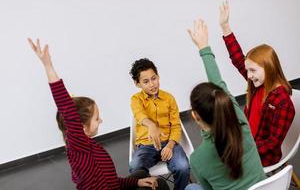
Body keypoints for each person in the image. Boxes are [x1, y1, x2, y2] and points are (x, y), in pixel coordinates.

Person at [28, 38, 170, 190]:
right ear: (81, 127)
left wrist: (136, 182)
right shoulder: (79, 146)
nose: (101, 120)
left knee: (141, 174)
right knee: (159, 184)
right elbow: (65, 106)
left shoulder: (87, 146)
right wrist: (48, 65)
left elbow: (111, 182)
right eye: (96, 118)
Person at [185, 18, 266, 190]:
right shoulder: (243, 126)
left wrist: (202, 47)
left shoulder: (198, 159)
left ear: (195, 116)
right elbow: (219, 83)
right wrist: (203, 47)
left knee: (191, 188)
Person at [219, 1, 295, 166]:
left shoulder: (282, 103)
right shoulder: (257, 84)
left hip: (261, 156)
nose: (249, 76)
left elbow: (273, 143)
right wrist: (225, 27)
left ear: (268, 68)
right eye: (248, 71)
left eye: (253, 70)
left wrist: (243, 148)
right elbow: (238, 58)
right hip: (247, 140)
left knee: (221, 167)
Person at [129, 58, 190, 190]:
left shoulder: (169, 98)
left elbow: (175, 125)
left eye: (154, 78)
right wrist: (151, 125)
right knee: (135, 168)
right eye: (146, 81)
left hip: (168, 142)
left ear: (158, 76)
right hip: (145, 146)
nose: (152, 84)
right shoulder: (136, 100)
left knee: (183, 167)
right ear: (137, 83)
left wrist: (170, 145)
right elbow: (140, 115)